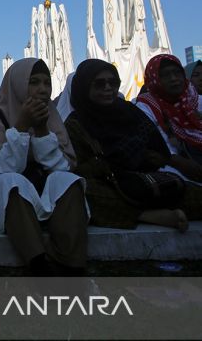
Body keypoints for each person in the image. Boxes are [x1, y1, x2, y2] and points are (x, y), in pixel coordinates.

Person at [0, 58, 88, 275]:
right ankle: (38, 264)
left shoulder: (51, 117)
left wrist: (43, 130)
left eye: (47, 83)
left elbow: (62, 168)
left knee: (68, 180)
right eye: (34, 82)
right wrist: (22, 127)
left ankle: (71, 262)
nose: (42, 90)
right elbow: (0, 170)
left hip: (38, 187)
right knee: (13, 181)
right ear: (18, 84)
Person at [65, 59, 199, 231]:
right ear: (84, 88)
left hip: (150, 182)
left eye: (113, 82)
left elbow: (158, 151)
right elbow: (78, 169)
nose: (108, 88)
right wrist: (108, 164)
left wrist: (147, 159)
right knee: (81, 191)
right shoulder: (76, 124)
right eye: (99, 84)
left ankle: (144, 212)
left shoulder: (130, 112)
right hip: (112, 188)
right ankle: (148, 215)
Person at [136, 54, 202, 178]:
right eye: (165, 75)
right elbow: (158, 144)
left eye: (177, 73)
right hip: (172, 165)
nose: (173, 79)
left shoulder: (195, 100)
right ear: (154, 79)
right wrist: (180, 162)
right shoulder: (146, 106)